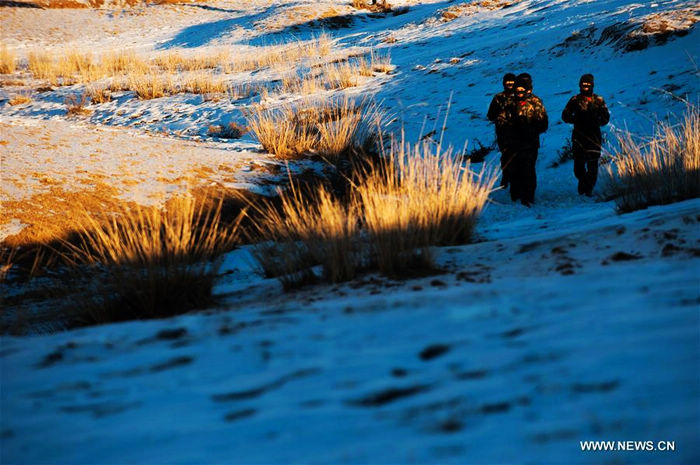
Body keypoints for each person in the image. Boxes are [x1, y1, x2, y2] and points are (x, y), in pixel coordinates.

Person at [499, 73, 548, 206]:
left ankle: (528, 196)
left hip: (530, 144)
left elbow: (544, 122)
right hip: (514, 144)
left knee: (529, 170)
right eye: (517, 90)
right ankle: (516, 194)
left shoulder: (535, 102)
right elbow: (501, 120)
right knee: (515, 170)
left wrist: (531, 129)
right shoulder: (510, 103)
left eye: (522, 90)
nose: (519, 93)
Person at [562, 74, 610, 196]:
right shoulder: (575, 100)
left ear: (592, 85)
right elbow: (565, 115)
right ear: (580, 85)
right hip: (579, 137)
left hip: (594, 137)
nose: (586, 87)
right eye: (584, 85)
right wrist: (577, 120)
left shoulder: (599, 100)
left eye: (588, 85)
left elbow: (606, 118)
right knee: (578, 168)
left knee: (593, 166)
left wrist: (595, 121)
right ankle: (584, 185)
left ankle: (587, 191)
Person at [487, 72, 516, 187]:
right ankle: (506, 176)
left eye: (512, 81)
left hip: (518, 133)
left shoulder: (520, 97)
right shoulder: (498, 98)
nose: (509, 84)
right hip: (503, 133)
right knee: (505, 156)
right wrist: (500, 117)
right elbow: (490, 115)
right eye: (507, 82)